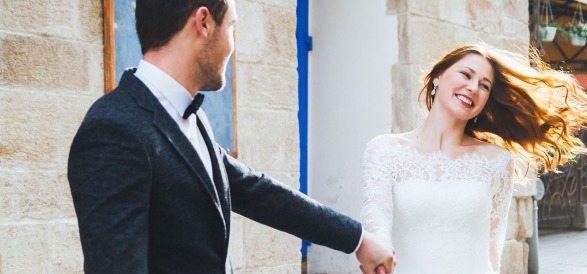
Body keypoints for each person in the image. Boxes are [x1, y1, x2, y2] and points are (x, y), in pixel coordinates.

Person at [67, 1, 394, 273]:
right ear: (204, 23)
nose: (233, 45)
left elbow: (258, 192)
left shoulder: (192, 116)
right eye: (233, 27)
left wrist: (358, 239)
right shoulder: (113, 130)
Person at [361, 44, 587, 273]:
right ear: (437, 76)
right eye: (466, 75)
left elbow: (492, 251)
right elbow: (377, 225)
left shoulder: (496, 161)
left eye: (484, 85)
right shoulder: (384, 150)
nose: (473, 87)